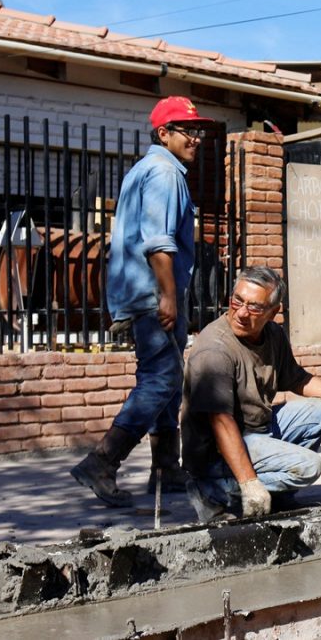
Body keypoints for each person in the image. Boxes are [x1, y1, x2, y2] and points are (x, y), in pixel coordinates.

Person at [71, 96, 211, 507]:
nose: (196, 138)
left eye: (198, 131)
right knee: (163, 379)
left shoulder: (145, 169)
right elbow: (157, 243)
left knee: (165, 380)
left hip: (143, 293)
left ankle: (166, 468)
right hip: (153, 295)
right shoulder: (165, 173)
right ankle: (102, 461)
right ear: (163, 133)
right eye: (188, 130)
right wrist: (168, 295)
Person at [181, 265, 321, 522]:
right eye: (237, 301)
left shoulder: (272, 334)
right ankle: (212, 492)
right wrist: (249, 482)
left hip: (255, 430)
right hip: (214, 451)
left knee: (317, 411)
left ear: (273, 312)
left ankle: (278, 496)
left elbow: (295, 378)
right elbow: (220, 421)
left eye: (254, 307)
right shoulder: (214, 349)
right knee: (309, 466)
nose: (241, 313)